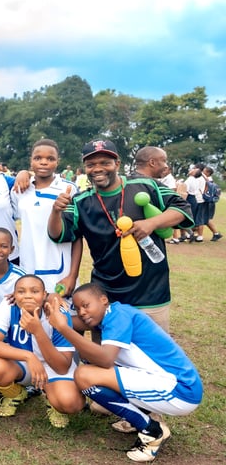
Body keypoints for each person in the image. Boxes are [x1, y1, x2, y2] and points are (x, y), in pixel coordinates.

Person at [48, 140, 193, 332]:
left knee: (152, 357)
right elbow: (58, 234)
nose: (97, 169)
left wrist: (151, 223)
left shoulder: (146, 185)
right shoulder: (81, 201)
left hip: (150, 291)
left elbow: (184, 210)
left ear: (117, 164)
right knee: (108, 356)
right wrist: (56, 212)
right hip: (106, 295)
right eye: (91, 165)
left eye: (105, 163)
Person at [49, 283, 202, 461]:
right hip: (171, 384)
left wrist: (64, 329)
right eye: (77, 308)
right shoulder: (112, 316)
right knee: (90, 362)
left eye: (86, 305)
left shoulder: (118, 315)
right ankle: (138, 418)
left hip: (181, 391)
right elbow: (71, 321)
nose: (81, 312)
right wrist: (50, 306)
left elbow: (105, 359)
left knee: (84, 375)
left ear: (103, 300)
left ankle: (152, 431)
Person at [0, 275, 84, 427]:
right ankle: (16, 394)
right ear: (14, 294)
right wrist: (29, 356)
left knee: (69, 403)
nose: (28, 296)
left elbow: (62, 367)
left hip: (54, 365)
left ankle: (51, 398)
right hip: (24, 363)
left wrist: (38, 331)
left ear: (44, 295)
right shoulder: (9, 305)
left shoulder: (59, 313)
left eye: (35, 291)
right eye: (21, 292)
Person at [12, 140, 82, 308]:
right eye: (38, 158)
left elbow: (77, 237)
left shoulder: (68, 189)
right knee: (33, 321)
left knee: (65, 320)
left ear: (58, 162)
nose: (44, 162)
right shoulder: (19, 190)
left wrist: (72, 276)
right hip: (29, 266)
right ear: (31, 161)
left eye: (50, 158)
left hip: (60, 269)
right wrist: (22, 173)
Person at [183, 164, 206, 242]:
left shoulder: (190, 180)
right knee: (191, 217)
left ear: (194, 173)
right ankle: (190, 234)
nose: (191, 170)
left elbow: (186, 191)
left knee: (186, 217)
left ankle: (190, 233)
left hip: (189, 198)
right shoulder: (195, 180)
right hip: (194, 199)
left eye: (193, 170)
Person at [202, 166, 222, 241]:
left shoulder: (207, 180)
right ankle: (216, 233)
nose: (202, 172)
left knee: (206, 218)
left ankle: (216, 233)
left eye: (204, 170)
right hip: (211, 201)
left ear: (208, 173)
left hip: (208, 201)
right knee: (206, 218)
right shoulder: (211, 181)